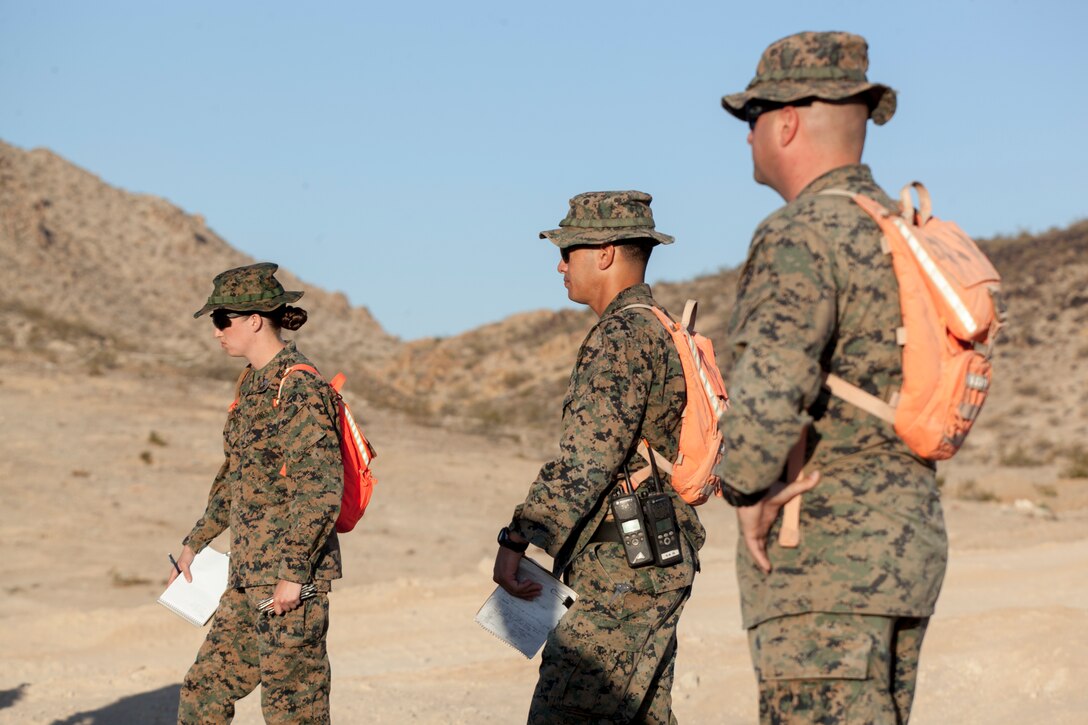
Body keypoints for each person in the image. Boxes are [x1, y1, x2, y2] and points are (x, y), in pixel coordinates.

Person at [714, 31, 948, 723]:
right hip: (906, 545)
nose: (748, 136)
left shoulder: (802, 232)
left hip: (824, 558)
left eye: (751, 119)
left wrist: (745, 488)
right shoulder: (900, 229)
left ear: (785, 121)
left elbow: (769, 392)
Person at [492, 191, 703, 724]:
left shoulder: (622, 336)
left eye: (570, 250)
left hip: (623, 564)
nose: (561, 264)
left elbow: (586, 462)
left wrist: (516, 539)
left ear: (606, 252)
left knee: (569, 712)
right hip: (654, 553)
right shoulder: (659, 326)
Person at [169, 262, 343, 724]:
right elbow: (236, 475)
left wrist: (294, 572)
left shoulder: (299, 385)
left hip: (289, 584)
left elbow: (320, 488)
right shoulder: (251, 384)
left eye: (221, 320)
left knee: (293, 714)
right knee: (204, 690)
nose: (216, 333)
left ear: (253, 320)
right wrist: (195, 541)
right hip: (247, 578)